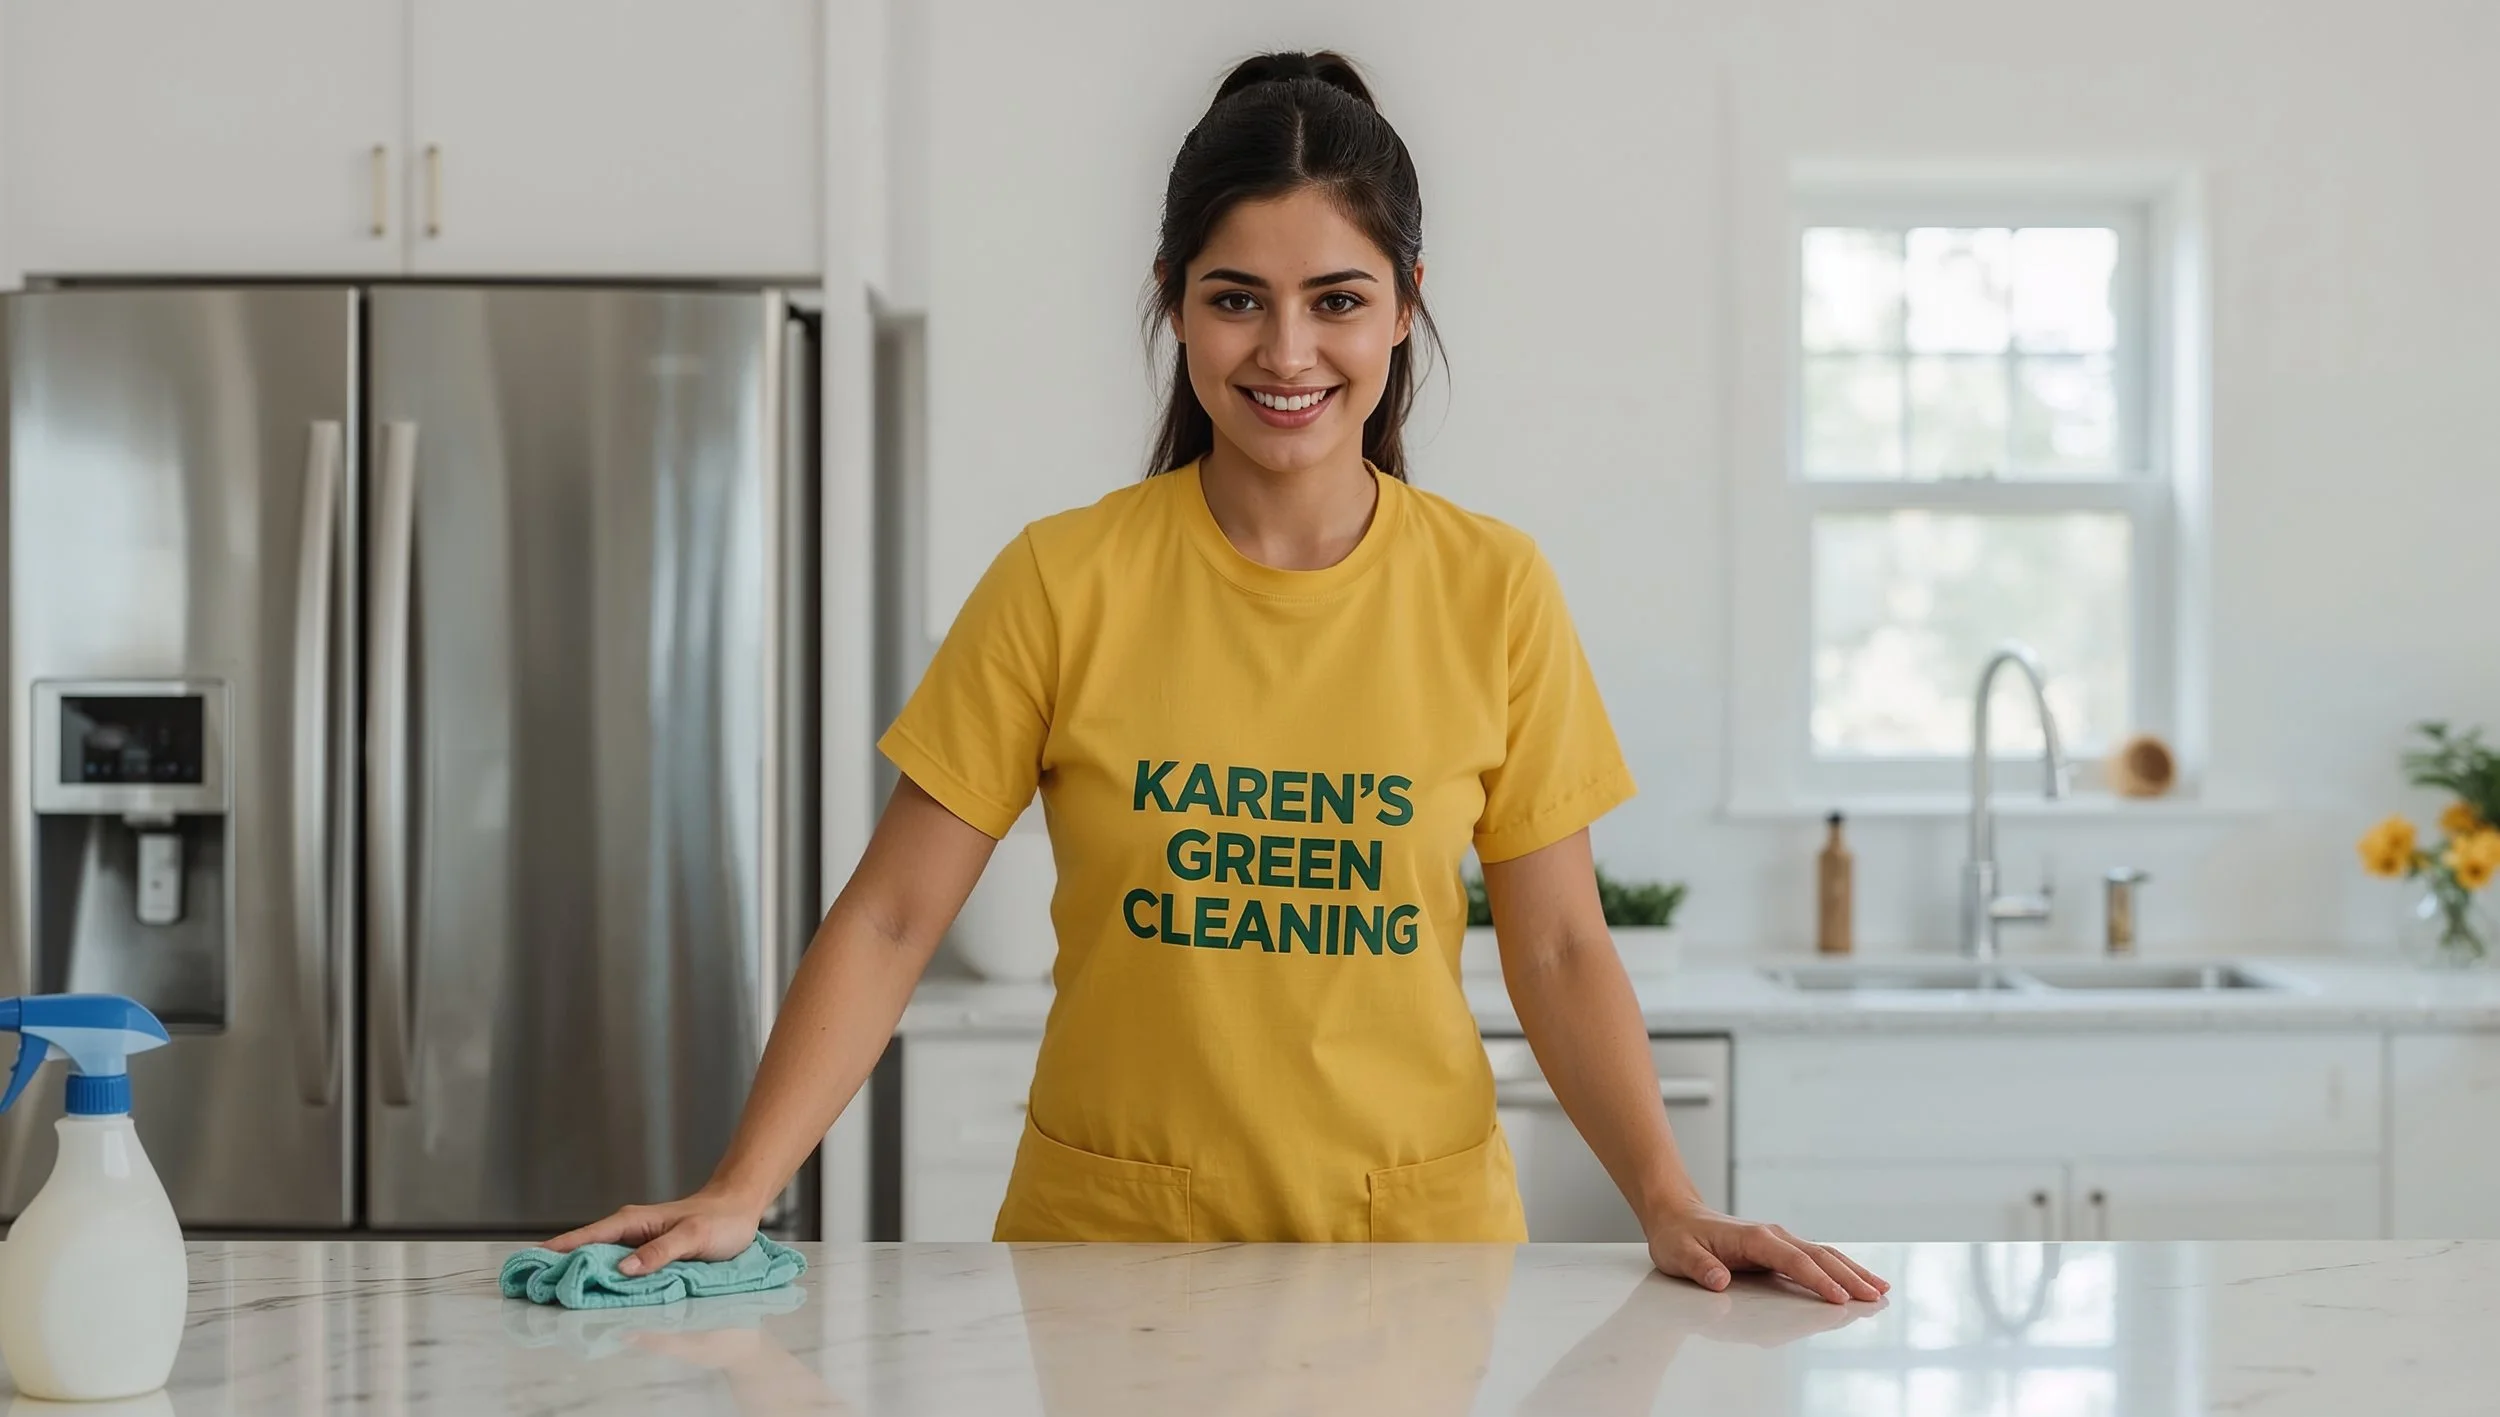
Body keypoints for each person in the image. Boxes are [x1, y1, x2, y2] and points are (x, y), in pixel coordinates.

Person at [550, 48, 1886, 1305]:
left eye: (1337, 300)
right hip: (1107, 1264)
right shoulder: (1063, 580)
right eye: (1236, 298)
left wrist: (1667, 1198)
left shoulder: (1495, 590)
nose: (1286, 352)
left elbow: (1558, 944)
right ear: (1172, 300)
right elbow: (894, 919)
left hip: (1416, 1267)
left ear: (1406, 305)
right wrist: (743, 1188)